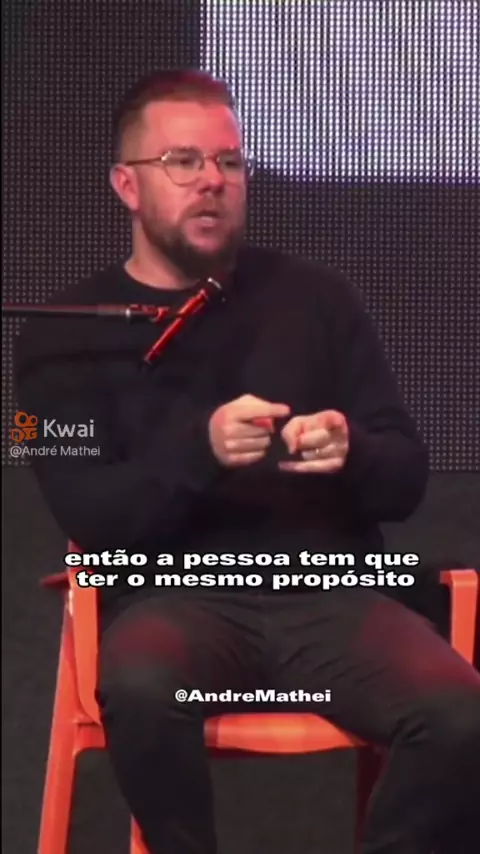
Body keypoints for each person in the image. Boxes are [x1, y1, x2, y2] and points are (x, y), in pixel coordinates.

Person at [15, 68, 480, 854]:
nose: (212, 181)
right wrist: (201, 452)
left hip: (328, 597)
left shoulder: (320, 301)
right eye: (183, 161)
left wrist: (352, 452)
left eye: (229, 162)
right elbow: (88, 513)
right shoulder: (58, 336)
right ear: (127, 186)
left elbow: (405, 476)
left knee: (457, 712)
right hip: (173, 599)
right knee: (141, 685)